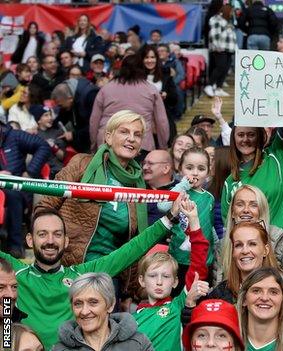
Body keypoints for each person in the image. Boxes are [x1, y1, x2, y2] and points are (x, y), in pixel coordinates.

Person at [4, 200, 181, 349]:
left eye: (57, 234)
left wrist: (168, 219)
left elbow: (129, 252)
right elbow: (6, 322)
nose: (50, 241)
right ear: (29, 240)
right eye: (42, 234)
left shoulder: (80, 276)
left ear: (66, 241)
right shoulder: (12, 274)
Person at [34, 111, 149, 297]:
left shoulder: (139, 184)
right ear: (109, 137)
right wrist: (49, 249)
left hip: (110, 274)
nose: (131, 139)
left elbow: (135, 241)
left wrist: (132, 288)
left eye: (137, 135)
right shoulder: (82, 164)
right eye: (124, 132)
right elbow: (46, 206)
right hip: (69, 267)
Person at [133, 200, 209, 351]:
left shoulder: (179, 305)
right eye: (153, 276)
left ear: (175, 282)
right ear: (142, 280)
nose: (159, 282)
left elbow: (198, 264)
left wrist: (193, 220)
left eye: (166, 277)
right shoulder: (131, 319)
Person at [221, 126, 283, 246]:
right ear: (233, 138)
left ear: (260, 136)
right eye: (241, 135)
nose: (245, 139)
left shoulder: (277, 157)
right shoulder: (230, 181)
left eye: (251, 135)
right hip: (250, 251)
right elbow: (229, 226)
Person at [89, 53, 169, 154]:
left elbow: (94, 121)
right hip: (141, 145)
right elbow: (162, 122)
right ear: (142, 68)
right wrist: (163, 148)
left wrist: (93, 146)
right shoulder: (151, 90)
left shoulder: (106, 89)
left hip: (108, 144)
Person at [52, 273, 153, 351]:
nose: (84, 311)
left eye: (93, 302)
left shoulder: (138, 343)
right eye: (78, 303)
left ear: (110, 305)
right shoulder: (60, 349)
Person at [166, 148, 216, 291]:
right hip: (178, 259)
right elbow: (162, 206)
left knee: (198, 300)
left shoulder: (210, 198)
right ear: (179, 168)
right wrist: (182, 185)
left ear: (208, 172)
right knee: (177, 298)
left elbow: (210, 228)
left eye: (201, 168)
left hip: (203, 260)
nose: (195, 173)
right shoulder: (177, 192)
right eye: (189, 168)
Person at [0, 120, 50, 258]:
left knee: (12, 194)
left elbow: (43, 146)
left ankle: (15, 245)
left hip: (16, 187)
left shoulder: (14, 136)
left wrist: (30, 172)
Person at [237, 267, 283, 351]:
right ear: (244, 299)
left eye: (273, 292)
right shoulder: (227, 345)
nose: (264, 298)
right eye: (256, 291)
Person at [51, 77, 99, 153]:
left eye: (60, 105)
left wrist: (74, 135)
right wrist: (51, 125)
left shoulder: (90, 95)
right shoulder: (69, 90)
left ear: (70, 98)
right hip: (82, 134)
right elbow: (64, 114)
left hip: (95, 140)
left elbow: (95, 124)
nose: (60, 108)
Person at [205, 4, 236, 98]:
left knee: (225, 68)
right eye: (231, 11)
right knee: (220, 67)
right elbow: (214, 34)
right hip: (220, 48)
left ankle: (219, 88)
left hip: (229, 48)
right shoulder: (216, 19)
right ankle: (209, 85)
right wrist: (216, 46)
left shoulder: (227, 21)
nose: (232, 13)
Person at [33, 104, 65, 179]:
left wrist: (53, 147)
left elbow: (62, 156)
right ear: (39, 120)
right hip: (40, 173)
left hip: (57, 171)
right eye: (46, 115)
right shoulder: (34, 134)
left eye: (50, 115)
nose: (50, 118)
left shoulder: (57, 133)